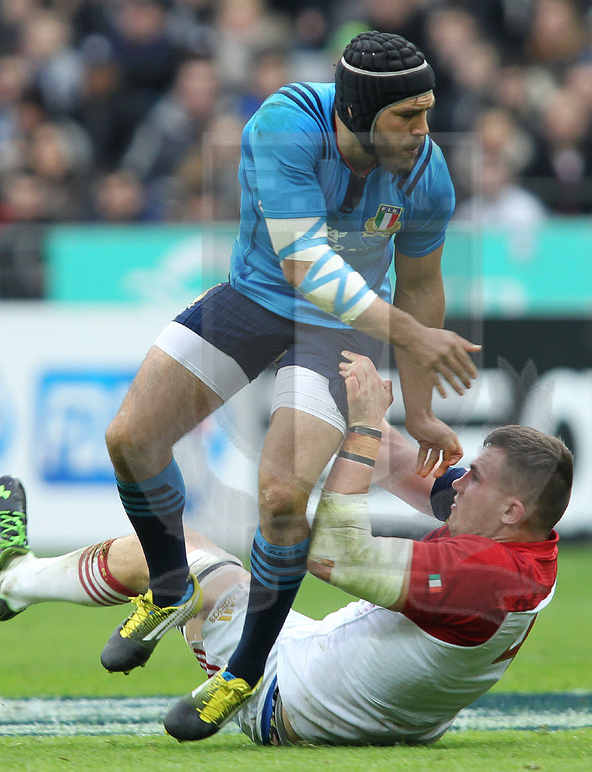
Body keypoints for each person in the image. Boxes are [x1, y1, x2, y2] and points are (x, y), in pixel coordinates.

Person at [92, 29, 479, 738]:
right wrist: (412, 334)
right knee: (130, 439)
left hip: (342, 333)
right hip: (257, 299)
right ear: (357, 112)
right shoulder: (285, 124)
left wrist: (419, 410)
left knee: (280, 497)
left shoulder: (428, 173)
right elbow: (304, 264)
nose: (424, 131)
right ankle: (171, 584)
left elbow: (423, 286)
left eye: (427, 111)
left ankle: (241, 673)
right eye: (407, 116)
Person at [0, 352, 573, 745]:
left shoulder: (485, 575)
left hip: (288, 696)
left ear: (511, 510)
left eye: (476, 477)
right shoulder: (515, 542)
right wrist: (340, 386)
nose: (458, 480)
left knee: (176, 551)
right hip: (369, 704)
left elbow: (335, 555)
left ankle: (12, 581)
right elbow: (399, 462)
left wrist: (364, 425)